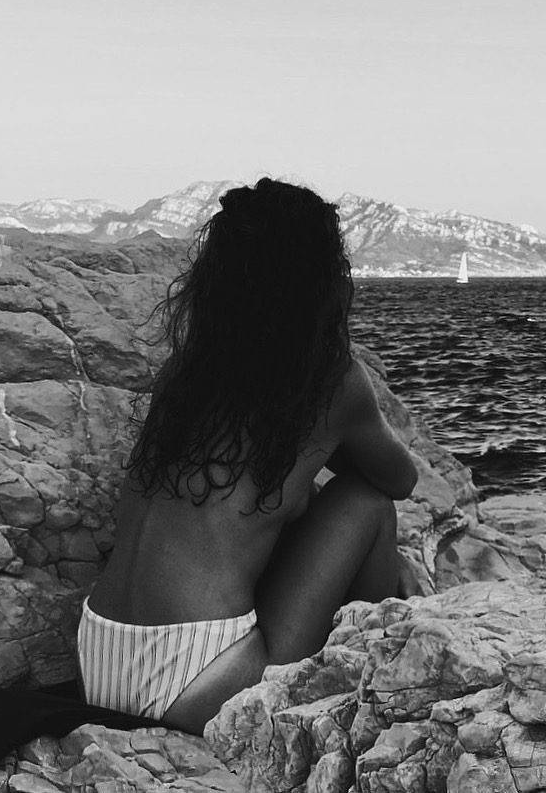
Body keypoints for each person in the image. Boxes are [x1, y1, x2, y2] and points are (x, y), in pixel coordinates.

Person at [77, 178, 418, 735]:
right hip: (196, 674)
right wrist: (331, 453)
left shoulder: (185, 373)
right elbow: (399, 480)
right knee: (366, 502)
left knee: (297, 499)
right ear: (319, 281)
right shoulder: (331, 381)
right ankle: (375, 678)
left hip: (99, 656)